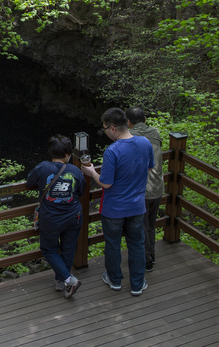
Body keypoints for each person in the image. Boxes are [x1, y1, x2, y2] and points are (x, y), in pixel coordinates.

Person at [81, 107, 154, 296]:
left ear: (113, 128)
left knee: (112, 244)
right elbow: (149, 167)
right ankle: (137, 284)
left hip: (114, 208)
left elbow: (106, 183)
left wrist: (91, 173)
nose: (105, 131)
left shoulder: (112, 151)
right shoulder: (145, 143)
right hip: (137, 205)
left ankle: (114, 280)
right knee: (136, 244)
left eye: (105, 128)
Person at [26, 134, 86, 299]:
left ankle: (68, 280)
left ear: (50, 153)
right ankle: (61, 282)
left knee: (48, 249)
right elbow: (81, 190)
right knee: (68, 248)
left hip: (51, 218)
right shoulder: (75, 170)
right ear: (68, 154)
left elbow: (29, 182)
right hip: (74, 216)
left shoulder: (42, 167)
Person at [126, 106, 165, 272]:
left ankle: (147, 260)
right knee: (150, 225)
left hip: (141, 189)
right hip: (158, 187)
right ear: (145, 119)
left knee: (141, 227)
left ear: (128, 122)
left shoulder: (130, 137)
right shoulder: (155, 133)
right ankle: (151, 256)